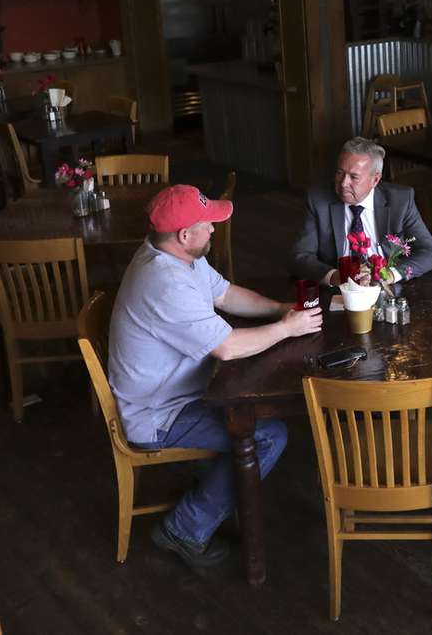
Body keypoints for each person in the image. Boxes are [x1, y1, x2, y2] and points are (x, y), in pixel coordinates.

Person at [108, 184, 322, 572]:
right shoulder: (164, 283)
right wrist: (288, 330)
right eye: (208, 225)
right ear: (184, 235)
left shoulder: (178, 257)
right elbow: (226, 347)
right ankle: (183, 529)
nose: (214, 231)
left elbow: (225, 295)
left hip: (176, 391)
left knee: (249, 412)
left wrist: (280, 310)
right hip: (158, 416)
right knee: (269, 435)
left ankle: (207, 483)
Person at [289, 137, 432, 285]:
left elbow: (430, 253)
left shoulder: (400, 200)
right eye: (340, 173)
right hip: (341, 289)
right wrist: (335, 276)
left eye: (354, 177)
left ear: (375, 180)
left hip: (387, 287)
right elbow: (300, 257)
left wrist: (391, 274)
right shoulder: (318, 199)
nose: (343, 183)